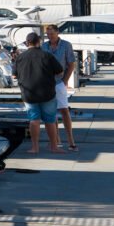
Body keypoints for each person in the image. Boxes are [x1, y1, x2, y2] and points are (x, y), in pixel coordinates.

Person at [14, 32, 65, 154]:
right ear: (39, 42)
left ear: (27, 43)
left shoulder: (20, 58)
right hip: (47, 93)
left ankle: (35, 147)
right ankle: (54, 146)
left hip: (29, 94)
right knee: (50, 121)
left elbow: (14, 75)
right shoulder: (47, 56)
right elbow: (60, 72)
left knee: (34, 120)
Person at [44, 23, 78, 151]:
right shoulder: (44, 46)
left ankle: (70, 140)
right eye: (48, 34)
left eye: (52, 34)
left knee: (64, 110)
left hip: (59, 82)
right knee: (51, 113)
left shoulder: (66, 45)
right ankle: (56, 139)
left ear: (58, 33)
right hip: (47, 83)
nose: (50, 36)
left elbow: (71, 64)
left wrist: (65, 81)